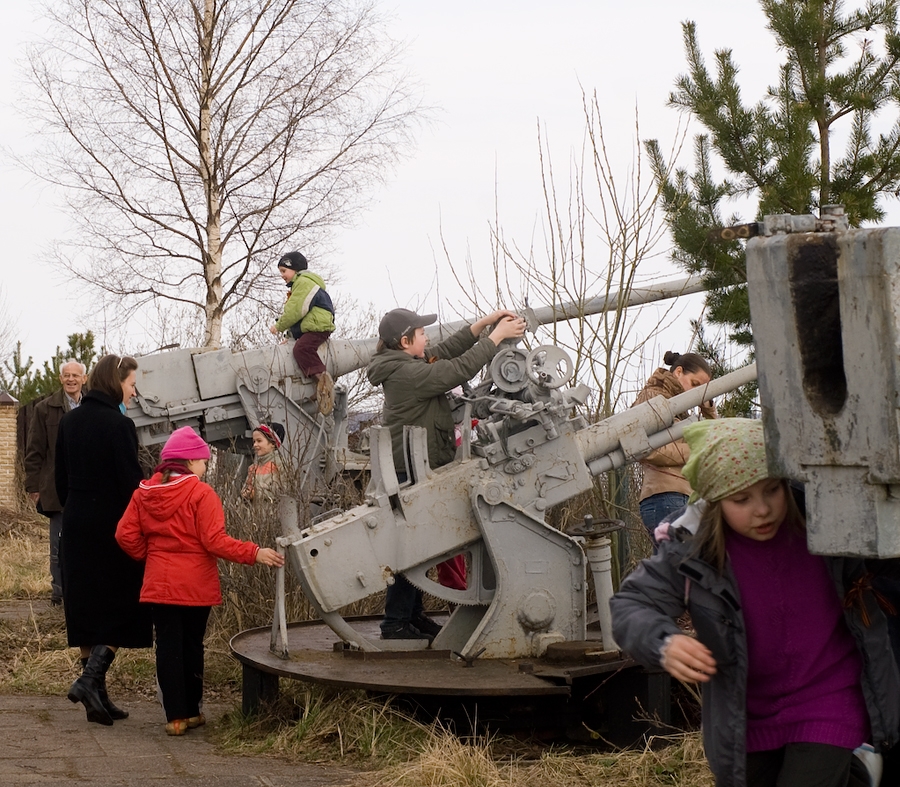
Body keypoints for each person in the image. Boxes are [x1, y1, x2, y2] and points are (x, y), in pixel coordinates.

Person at [610, 418, 900, 787]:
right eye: (741, 499)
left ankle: (849, 758)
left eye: (772, 490)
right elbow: (632, 604)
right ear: (714, 501)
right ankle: (857, 775)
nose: (762, 509)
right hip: (747, 710)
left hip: (828, 694)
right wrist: (663, 641)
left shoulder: (826, 522)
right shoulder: (690, 551)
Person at [368, 306, 526, 640]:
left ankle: (412, 615)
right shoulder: (407, 374)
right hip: (409, 467)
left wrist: (481, 326)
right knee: (410, 545)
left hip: (416, 463)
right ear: (404, 340)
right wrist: (496, 338)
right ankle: (395, 622)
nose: (427, 338)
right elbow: (455, 370)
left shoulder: (406, 363)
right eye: (421, 333)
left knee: (420, 543)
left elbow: (448, 352)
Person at [116, 426, 284, 736]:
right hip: (195, 585)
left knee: (168, 647)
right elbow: (215, 541)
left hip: (160, 583)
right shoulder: (201, 493)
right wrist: (254, 552)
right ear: (190, 461)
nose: (205, 467)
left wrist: (150, 556)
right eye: (203, 461)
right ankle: (193, 711)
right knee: (192, 645)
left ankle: (175, 716)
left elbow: (124, 534)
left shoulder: (143, 493)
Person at [55, 353, 152, 726]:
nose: (133, 391)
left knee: (84, 606)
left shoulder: (70, 420)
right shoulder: (119, 425)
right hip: (113, 526)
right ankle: (90, 679)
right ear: (116, 383)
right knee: (124, 603)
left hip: (77, 522)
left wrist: (77, 508)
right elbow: (131, 483)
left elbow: (60, 479)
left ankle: (96, 696)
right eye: (131, 384)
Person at [24, 359, 88, 605]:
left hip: (86, 488)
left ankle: (82, 592)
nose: (71, 379)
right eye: (66, 375)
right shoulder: (44, 409)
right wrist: (33, 486)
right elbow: (35, 450)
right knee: (59, 543)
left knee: (85, 542)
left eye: (76, 375)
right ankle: (59, 593)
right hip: (56, 489)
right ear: (60, 379)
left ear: (84, 379)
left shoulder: (92, 407)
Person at [632, 350, 714, 544]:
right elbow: (645, 449)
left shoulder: (675, 403)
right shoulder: (654, 397)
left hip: (679, 495)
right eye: (695, 384)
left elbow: (714, 440)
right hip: (666, 496)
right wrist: (695, 452)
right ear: (678, 372)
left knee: (681, 569)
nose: (696, 393)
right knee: (681, 568)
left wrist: (709, 410)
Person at [269, 251, 336, 416]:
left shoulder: (303, 282)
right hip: (312, 324)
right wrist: (289, 338)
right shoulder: (301, 284)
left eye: (284, 271)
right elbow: (300, 319)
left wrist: (279, 326)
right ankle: (317, 384)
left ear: (295, 269)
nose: (282, 276)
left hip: (318, 326)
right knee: (298, 347)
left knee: (302, 349)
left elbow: (295, 311)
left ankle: (322, 380)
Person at [240, 422, 285, 503]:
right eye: (254, 441)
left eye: (259, 441)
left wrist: (255, 494)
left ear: (273, 443)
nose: (255, 445)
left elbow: (284, 493)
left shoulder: (280, 465)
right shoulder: (253, 468)